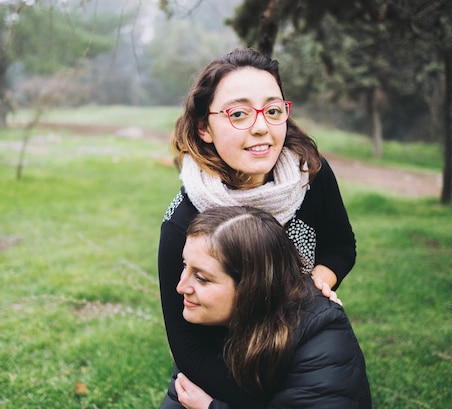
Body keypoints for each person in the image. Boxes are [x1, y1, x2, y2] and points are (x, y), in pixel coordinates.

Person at [159, 48, 357, 408]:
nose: (262, 126)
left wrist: (318, 284)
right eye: (238, 114)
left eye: (273, 109)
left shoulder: (309, 174)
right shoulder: (185, 222)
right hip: (223, 366)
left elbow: (341, 246)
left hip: (303, 344)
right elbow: (188, 348)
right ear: (204, 127)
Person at [164, 206, 371, 409]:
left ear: (250, 286)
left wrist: (210, 407)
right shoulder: (208, 320)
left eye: (201, 278)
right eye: (184, 265)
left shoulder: (321, 336)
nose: (180, 287)